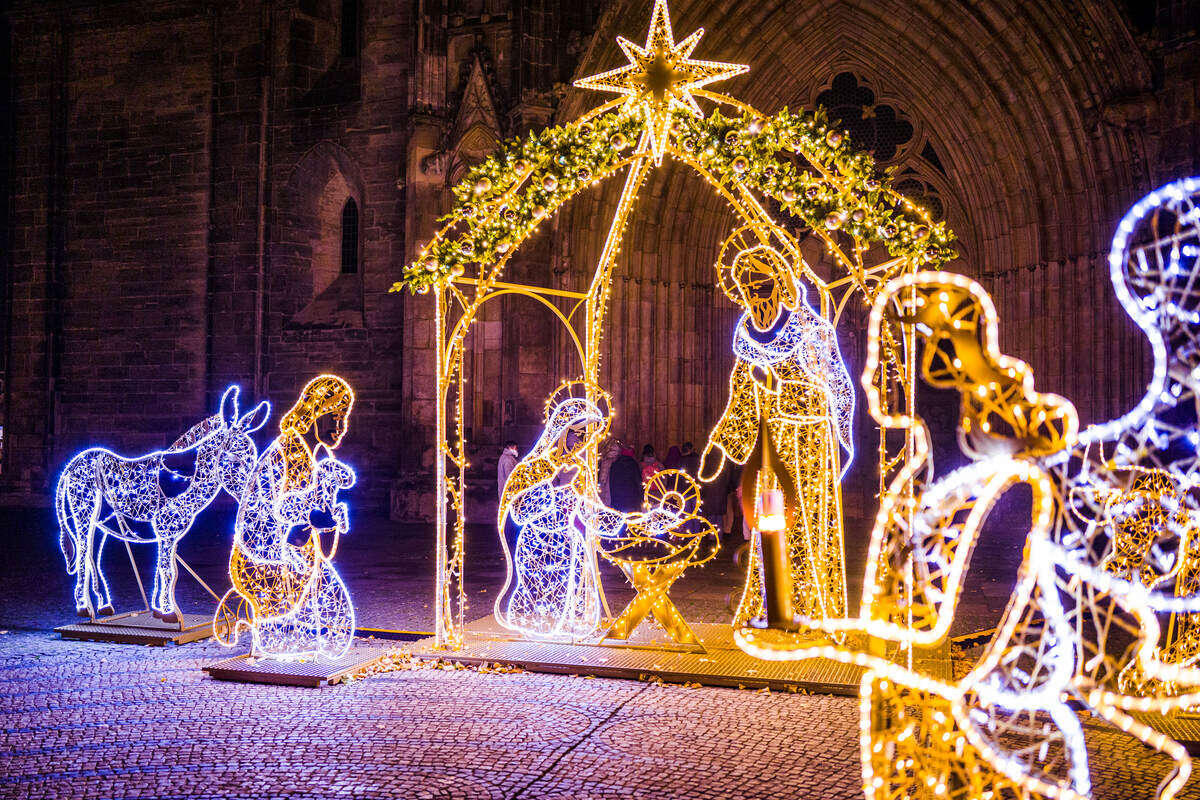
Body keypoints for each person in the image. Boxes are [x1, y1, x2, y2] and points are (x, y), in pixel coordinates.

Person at [700, 244, 854, 630]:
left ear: (781, 284)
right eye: (747, 289)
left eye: (762, 286)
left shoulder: (811, 331)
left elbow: (835, 388)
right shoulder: (747, 340)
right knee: (769, 523)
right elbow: (741, 399)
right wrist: (721, 448)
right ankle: (770, 602)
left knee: (804, 525)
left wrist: (780, 385)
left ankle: (809, 608)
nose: (755, 297)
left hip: (809, 443)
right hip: (772, 444)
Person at [608, 447, 642, 512]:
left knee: (618, 516)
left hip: (617, 496)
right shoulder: (634, 464)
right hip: (631, 496)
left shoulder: (615, 463)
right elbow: (638, 481)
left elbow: (611, 480)